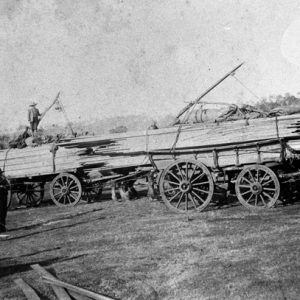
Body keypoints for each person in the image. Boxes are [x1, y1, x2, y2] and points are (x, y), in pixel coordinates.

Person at [0, 169, 9, 233]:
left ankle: (3, 227)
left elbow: (8, 186)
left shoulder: (4, 179)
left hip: (4, 197)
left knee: (4, 211)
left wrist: (4, 186)